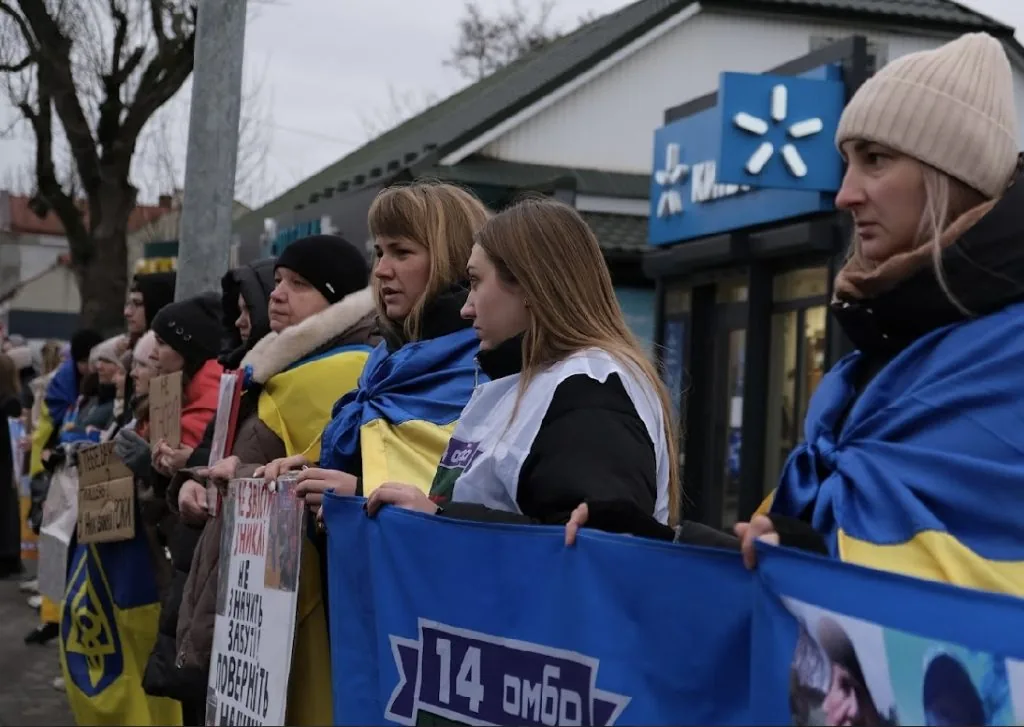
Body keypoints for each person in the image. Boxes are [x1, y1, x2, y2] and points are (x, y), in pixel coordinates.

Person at [727, 33, 1024, 596]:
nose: (845, 194)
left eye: (876, 160)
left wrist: (814, 559)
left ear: (948, 176)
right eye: (847, 163)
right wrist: (637, 536)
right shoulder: (868, 362)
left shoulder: (1008, 354)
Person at [364, 198, 732, 553]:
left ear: (527, 285)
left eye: (475, 282)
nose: (465, 307)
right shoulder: (534, 380)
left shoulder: (590, 390)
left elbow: (594, 546)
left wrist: (441, 520)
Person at [258, 182, 492, 725]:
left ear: (457, 263)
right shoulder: (384, 362)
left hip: (431, 652)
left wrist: (356, 497)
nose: (382, 270)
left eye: (402, 252)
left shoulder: (486, 371)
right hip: (360, 624)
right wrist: (307, 471)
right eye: (379, 252)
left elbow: (465, 509)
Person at [156, 239, 376, 724]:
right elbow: (231, 455)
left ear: (337, 301)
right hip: (242, 599)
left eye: (299, 285)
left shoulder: (344, 373)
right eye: (277, 281)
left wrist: (237, 477)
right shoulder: (265, 367)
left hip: (290, 607)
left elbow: (296, 470)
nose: (278, 294)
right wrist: (194, 480)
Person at [26, 328, 101, 645]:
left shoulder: (78, 388)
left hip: (65, 473)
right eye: (87, 362)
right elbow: (54, 427)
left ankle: (58, 618)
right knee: (55, 544)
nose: (92, 368)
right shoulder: (66, 387)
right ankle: (53, 616)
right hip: (54, 472)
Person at [0, 354, 25, 579]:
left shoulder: (8, 403)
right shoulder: (12, 402)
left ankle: (7, 555)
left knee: (6, 509)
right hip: (7, 464)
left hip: (6, 464)